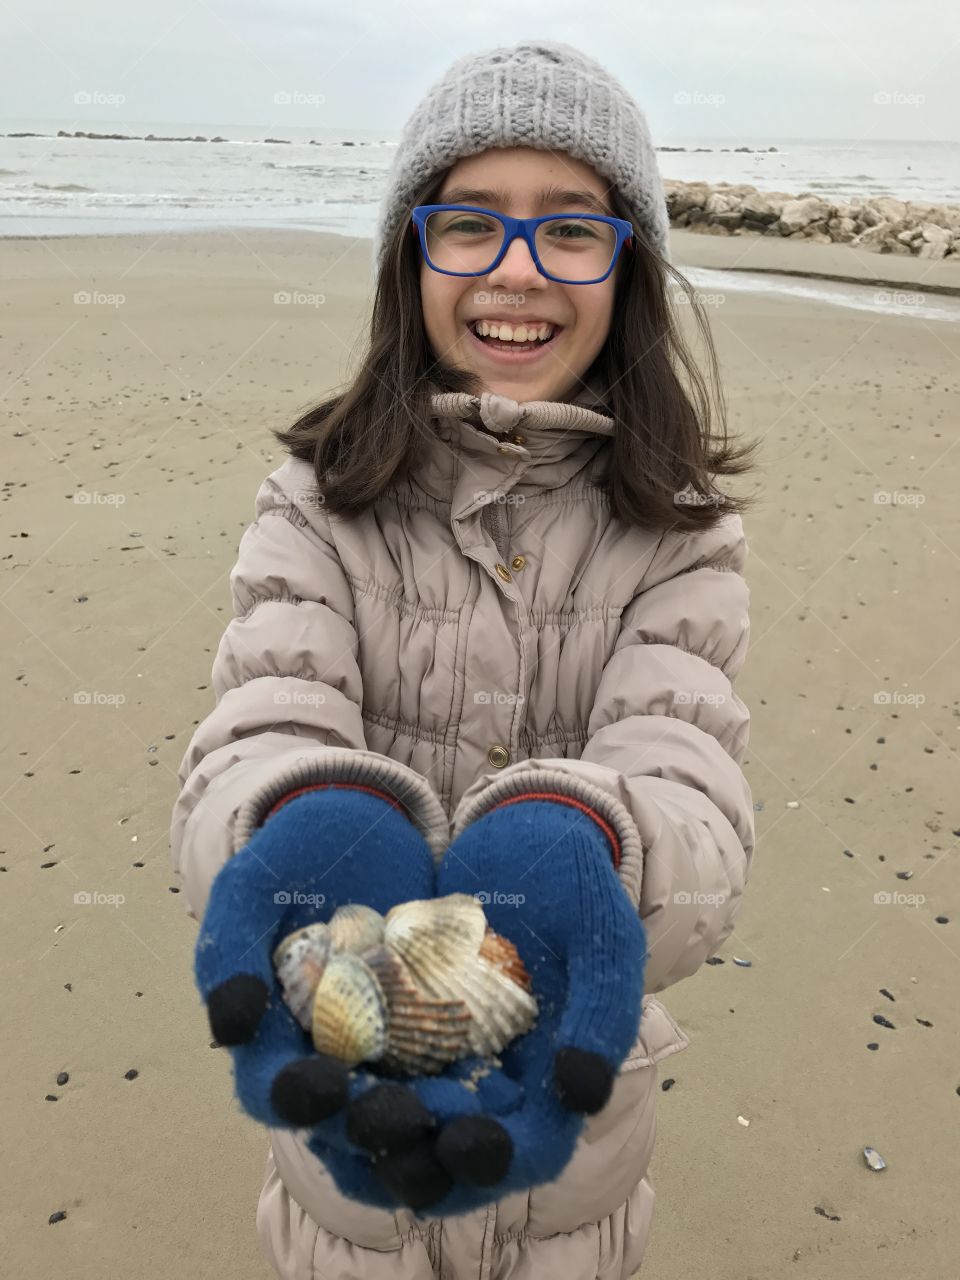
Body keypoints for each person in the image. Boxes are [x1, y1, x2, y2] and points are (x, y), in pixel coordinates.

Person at [171, 39, 760, 1280]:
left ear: (628, 265)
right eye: (470, 224)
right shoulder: (315, 505)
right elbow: (255, 730)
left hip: (581, 1138)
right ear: (411, 252)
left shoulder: (681, 531)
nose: (518, 270)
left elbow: (692, 790)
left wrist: (583, 842)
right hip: (346, 1111)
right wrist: (304, 816)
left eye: (572, 229)